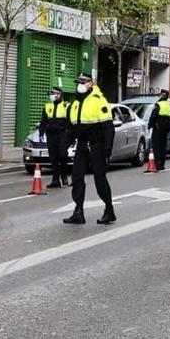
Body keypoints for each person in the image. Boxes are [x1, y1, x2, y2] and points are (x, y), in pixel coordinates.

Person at [63, 73, 115, 225]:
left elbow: (108, 128)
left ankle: (109, 210)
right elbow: (72, 128)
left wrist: (107, 149)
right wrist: (64, 146)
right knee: (77, 178)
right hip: (81, 145)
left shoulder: (99, 101)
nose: (80, 84)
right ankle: (78, 212)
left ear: (91, 83)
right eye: (78, 82)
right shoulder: (75, 103)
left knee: (100, 179)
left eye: (83, 81)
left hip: (96, 145)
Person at [39, 86, 71, 188]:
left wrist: (71, 135)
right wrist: (41, 133)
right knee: (53, 158)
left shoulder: (66, 106)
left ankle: (64, 177)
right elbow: (43, 121)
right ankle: (55, 180)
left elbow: (71, 122)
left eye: (57, 93)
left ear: (61, 95)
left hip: (62, 134)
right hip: (51, 135)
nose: (54, 95)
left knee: (62, 155)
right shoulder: (47, 106)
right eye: (53, 93)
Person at [147, 89, 170, 171]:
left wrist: (150, 125)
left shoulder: (158, 104)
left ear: (162, 95)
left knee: (157, 145)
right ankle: (162, 164)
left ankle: (157, 164)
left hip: (158, 127)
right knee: (163, 145)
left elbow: (153, 116)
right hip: (166, 127)